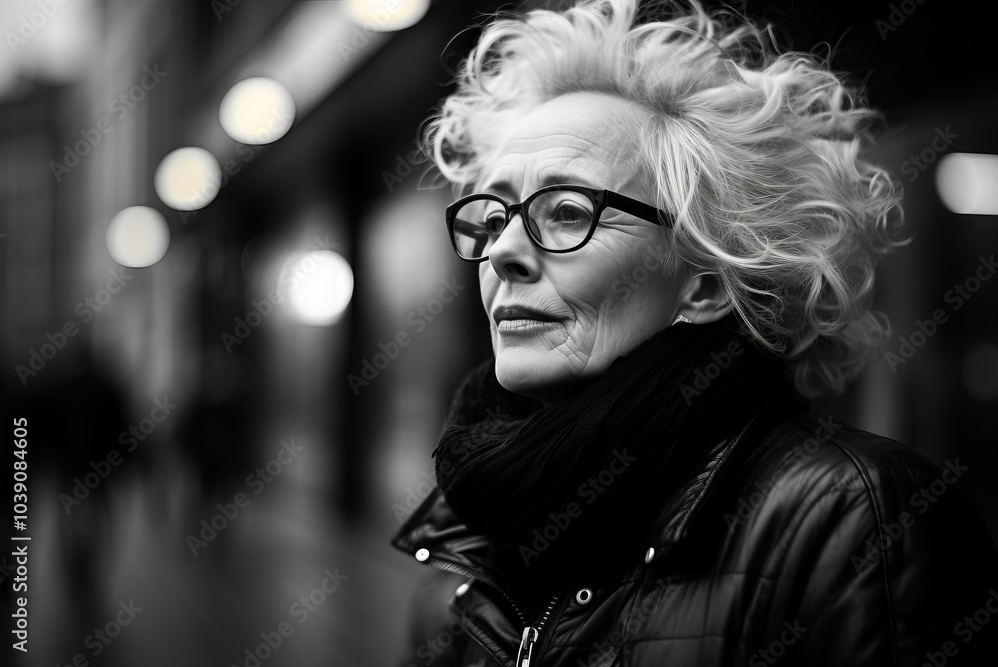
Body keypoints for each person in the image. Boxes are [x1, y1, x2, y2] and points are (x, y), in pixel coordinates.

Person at [391, 1, 998, 664]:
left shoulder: (855, 519)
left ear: (706, 282)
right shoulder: (464, 548)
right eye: (494, 214)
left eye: (566, 212)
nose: (504, 249)